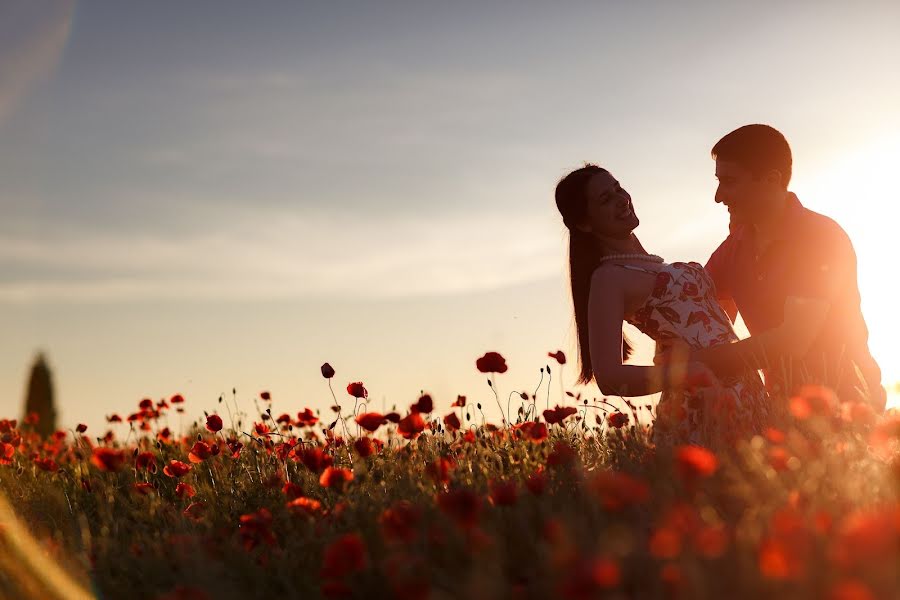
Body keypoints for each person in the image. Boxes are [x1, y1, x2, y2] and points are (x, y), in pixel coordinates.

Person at [555, 165, 809, 447]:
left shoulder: (649, 264)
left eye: (618, 188)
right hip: (701, 403)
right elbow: (609, 378)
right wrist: (686, 374)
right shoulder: (609, 277)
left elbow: (700, 322)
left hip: (746, 390)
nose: (621, 199)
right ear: (584, 223)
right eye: (605, 199)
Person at [699, 125, 886, 412]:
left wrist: (699, 362)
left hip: (847, 410)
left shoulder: (820, 236)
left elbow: (793, 340)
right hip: (780, 411)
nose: (718, 196)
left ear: (771, 180)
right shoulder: (733, 247)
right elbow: (701, 308)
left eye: (730, 181)